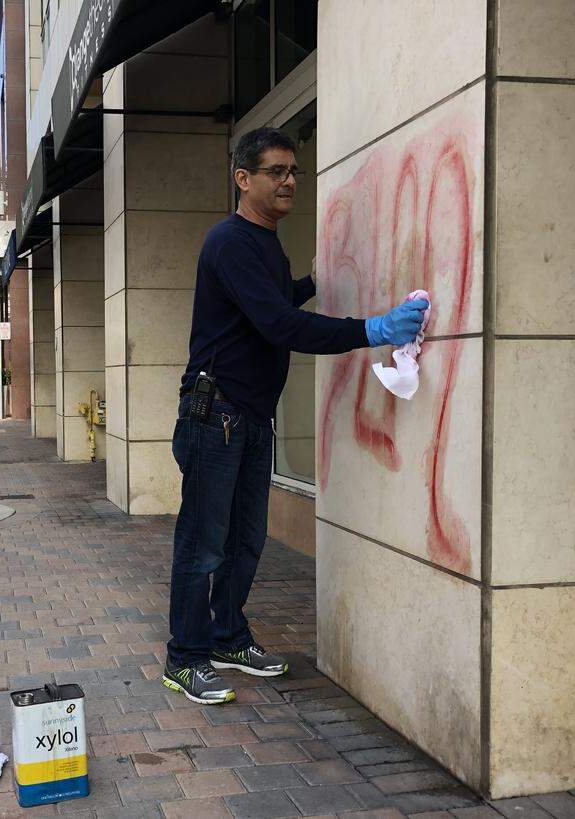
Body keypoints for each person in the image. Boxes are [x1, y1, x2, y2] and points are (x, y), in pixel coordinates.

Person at [163, 128, 428, 705]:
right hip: (217, 417)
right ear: (243, 179)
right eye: (275, 171)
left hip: (251, 418)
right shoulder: (230, 242)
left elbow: (274, 302)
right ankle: (185, 657)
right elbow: (278, 324)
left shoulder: (265, 245)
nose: (288, 181)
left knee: (247, 540)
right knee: (204, 544)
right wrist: (372, 330)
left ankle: (229, 636)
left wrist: (312, 279)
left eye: (292, 171)